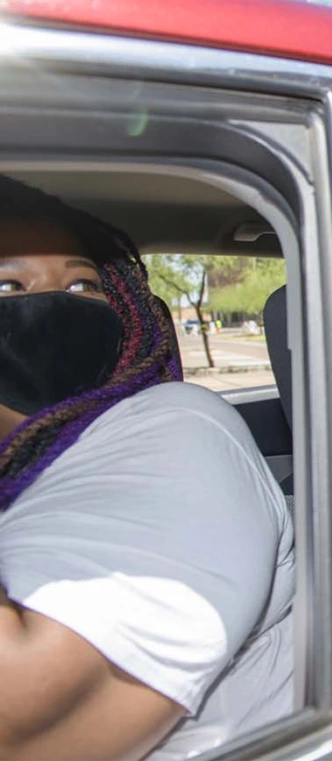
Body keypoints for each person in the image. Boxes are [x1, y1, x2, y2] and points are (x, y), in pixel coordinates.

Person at [0, 176, 293, 760]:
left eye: (84, 282)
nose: (58, 306)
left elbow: (25, 711)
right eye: (7, 284)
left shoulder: (178, 425)